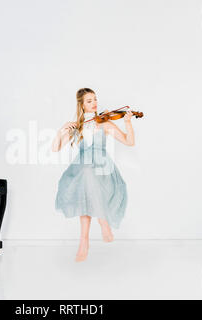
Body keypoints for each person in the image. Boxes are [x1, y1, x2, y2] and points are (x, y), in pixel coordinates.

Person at [52, 88, 135, 262]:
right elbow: (55, 148)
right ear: (81, 105)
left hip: (102, 168)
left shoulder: (104, 123)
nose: (94, 103)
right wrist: (61, 130)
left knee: (88, 175)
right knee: (85, 184)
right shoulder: (78, 127)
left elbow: (129, 142)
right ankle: (91, 233)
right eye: (89, 101)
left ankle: (87, 238)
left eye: (95, 99)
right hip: (83, 168)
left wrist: (127, 122)